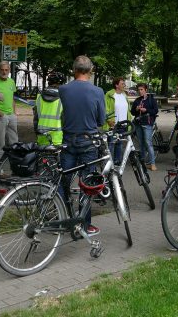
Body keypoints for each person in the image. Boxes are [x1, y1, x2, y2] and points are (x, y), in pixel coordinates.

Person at [57, 55, 106, 235]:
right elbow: (101, 120)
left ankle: (61, 221)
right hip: (88, 143)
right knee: (87, 184)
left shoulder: (64, 89)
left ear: (74, 70)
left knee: (63, 182)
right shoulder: (98, 91)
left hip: (68, 141)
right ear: (91, 70)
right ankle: (85, 225)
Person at [0, 61, 18, 168]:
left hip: (11, 116)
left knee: (14, 142)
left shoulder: (11, 82)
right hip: (0, 116)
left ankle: (15, 167)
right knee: (0, 143)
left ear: (9, 70)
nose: (4, 72)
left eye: (6, 70)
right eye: (2, 70)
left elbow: (12, 98)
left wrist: (14, 113)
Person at [131, 83, 159, 170]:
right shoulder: (137, 100)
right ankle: (143, 163)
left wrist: (146, 110)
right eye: (138, 90)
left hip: (147, 124)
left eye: (141, 89)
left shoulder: (151, 100)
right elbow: (132, 112)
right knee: (141, 144)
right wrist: (136, 109)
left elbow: (155, 111)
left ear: (146, 90)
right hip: (138, 124)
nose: (140, 91)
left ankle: (152, 163)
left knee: (148, 143)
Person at [104, 76, 132, 164]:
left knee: (119, 144)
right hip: (113, 125)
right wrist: (109, 120)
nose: (124, 85)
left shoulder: (124, 95)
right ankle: (109, 163)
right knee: (111, 144)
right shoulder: (109, 95)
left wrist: (129, 119)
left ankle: (117, 161)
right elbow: (105, 108)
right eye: (122, 83)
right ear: (116, 85)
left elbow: (128, 109)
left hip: (123, 124)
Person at [33, 73, 63, 145]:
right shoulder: (63, 98)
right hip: (57, 138)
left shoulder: (39, 97)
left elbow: (36, 119)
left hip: (42, 137)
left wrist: (37, 132)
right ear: (60, 84)